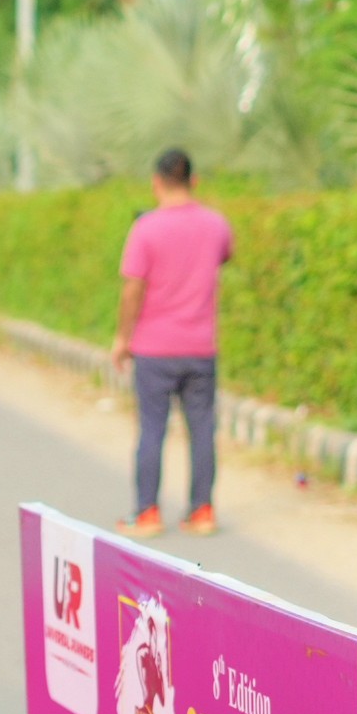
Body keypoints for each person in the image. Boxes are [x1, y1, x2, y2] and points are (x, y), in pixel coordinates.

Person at [111, 146, 233, 538]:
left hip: (154, 348)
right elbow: (223, 258)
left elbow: (133, 289)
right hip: (200, 347)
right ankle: (202, 511)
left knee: (152, 429)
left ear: (156, 183)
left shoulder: (145, 229)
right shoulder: (217, 225)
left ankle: (147, 512)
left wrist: (123, 338)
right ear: (194, 181)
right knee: (202, 429)